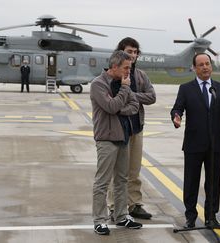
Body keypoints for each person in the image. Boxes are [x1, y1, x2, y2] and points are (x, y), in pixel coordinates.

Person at [170, 53, 220, 229]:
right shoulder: (186, 88)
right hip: (193, 143)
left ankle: (211, 216)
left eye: (207, 64)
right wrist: (176, 117)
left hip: (214, 143)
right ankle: (190, 217)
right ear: (194, 68)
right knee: (191, 181)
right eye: (201, 65)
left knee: (213, 182)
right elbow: (177, 108)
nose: (205, 67)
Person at [91, 50, 142, 236]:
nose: (129, 71)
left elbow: (134, 106)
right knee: (102, 181)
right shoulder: (98, 84)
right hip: (106, 139)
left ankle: (121, 216)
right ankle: (99, 220)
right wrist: (124, 91)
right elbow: (110, 106)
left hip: (123, 136)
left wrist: (119, 109)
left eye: (130, 67)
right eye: (126, 67)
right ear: (114, 67)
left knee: (122, 179)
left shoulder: (124, 83)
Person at [107, 37, 156, 220]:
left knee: (134, 169)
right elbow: (112, 101)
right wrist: (129, 97)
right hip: (120, 128)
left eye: (135, 52)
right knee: (119, 171)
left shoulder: (141, 76)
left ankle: (134, 204)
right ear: (120, 52)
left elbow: (152, 96)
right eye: (129, 51)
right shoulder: (114, 75)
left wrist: (131, 95)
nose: (133, 55)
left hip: (137, 127)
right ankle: (114, 206)